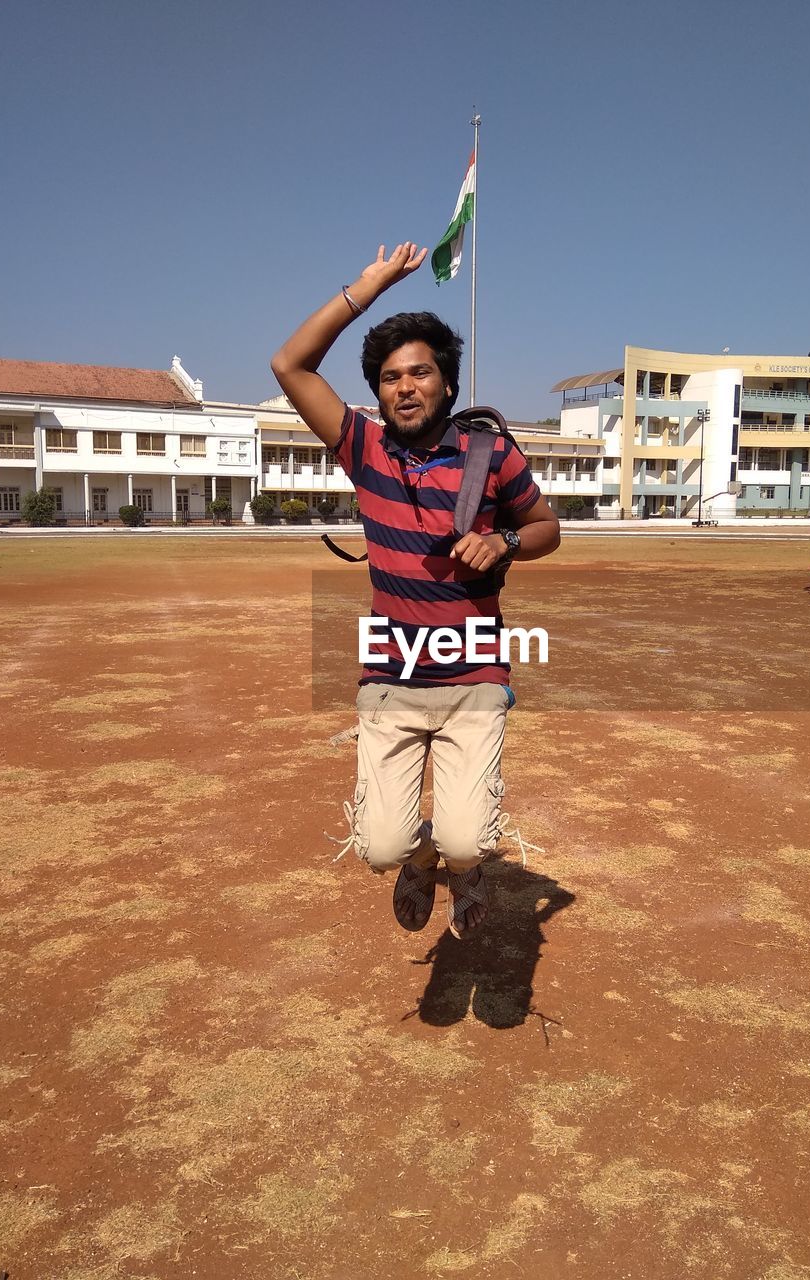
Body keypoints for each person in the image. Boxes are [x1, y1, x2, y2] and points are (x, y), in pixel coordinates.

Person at [270, 242, 561, 938]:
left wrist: (506, 540)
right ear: (377, 392)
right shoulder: (364, 450)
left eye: (420, 372)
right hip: (391, 681)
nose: (404, 386)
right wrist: (367, 286)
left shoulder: (491, 454)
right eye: (391, 376)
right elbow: (290, 365)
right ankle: (418, 856)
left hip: (473, 677)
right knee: (381, 848)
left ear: (447, 385)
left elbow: (548, 526)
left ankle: (462, 867)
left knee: (469, 841)